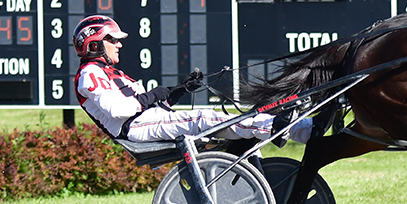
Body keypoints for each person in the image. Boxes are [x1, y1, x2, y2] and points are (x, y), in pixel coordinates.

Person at [72, 15, 311, 144]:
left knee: (222, 119)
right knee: (203, 117)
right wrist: (155, 94)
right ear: (94, 44)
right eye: (113, 39)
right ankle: (279, 126)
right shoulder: (90, 74)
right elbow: (118, 109)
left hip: (146, 120)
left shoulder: (110, 72)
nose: (119, 44)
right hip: (133, 128)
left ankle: (305, 128)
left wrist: (180, 90)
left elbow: (148, 106)